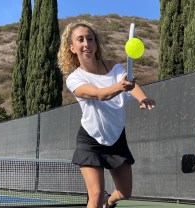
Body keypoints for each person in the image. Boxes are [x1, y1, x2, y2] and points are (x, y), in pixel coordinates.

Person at [57, 22, 155, 208]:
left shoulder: (113, 67)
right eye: (80, 39)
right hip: (91, 141)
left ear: (96, 44)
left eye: (90, 38)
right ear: (72, 48)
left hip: (117, 139)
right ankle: (101, 200)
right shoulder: (74, 79)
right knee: (95, 195)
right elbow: (99, 94)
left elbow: (131, 85)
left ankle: (109, 202)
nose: (86, 43)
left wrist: (143, 98)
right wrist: (120, 86)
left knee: (125, 192)